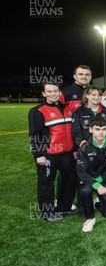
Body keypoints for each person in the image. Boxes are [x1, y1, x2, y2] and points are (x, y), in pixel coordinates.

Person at [28, 83, 78, 222]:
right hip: (49, 153)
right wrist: (39, 154)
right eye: (49, 91)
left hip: (67, 153)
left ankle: (64, 207)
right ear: (44, 93)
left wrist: (74, 150)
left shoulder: (67, 109)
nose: (53, 94)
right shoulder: (37, 111)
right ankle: (47, 213)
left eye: (55, 91)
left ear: (59, 93)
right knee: (46, 182)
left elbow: (71, 132)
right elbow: (35, 134)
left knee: (70, 179)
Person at [76, 117, 106, 232]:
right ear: (91, 130)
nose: (101, 132)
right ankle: (90, 218)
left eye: (104, 129)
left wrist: (99, 182)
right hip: (89, 180)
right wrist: (96, 185)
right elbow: (81, 171)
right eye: (97, 129)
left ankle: (97, 202)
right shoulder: (84, 148)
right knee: (84, 190)